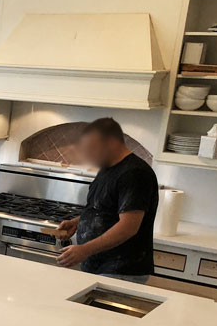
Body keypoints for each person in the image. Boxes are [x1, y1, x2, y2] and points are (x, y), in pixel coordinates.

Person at [55, 118, 158, 284]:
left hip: (121, 270)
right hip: (100, 267)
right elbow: (102, 210)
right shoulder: (108, 168)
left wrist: (84, 250)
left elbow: (128, 227)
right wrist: (77, 222)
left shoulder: (135, 174)